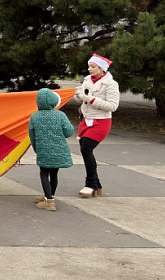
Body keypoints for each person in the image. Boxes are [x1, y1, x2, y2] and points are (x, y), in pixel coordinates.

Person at [73, 53, 119, 198]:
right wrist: (78, 96)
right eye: (89, 66)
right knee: (84, 149)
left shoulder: (111, 84)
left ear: (101, 68)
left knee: (86, 149)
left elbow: (112, 106)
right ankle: (97, 185)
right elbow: (83, 99)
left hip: (101, 121)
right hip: (86, 120)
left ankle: (90, 184)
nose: (89, 69)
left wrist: (91, 99)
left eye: (92, 67)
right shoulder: (87, 80)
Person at [29, 88, 74, 211]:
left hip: (43, 150)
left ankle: (49, 202)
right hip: (59, 150)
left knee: (44, 174)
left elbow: (32, 136)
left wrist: (37, 149)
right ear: (54, 101)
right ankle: (50, 196)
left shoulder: (34, 117)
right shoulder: (60, 115)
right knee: (54, 174)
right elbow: (69, 131)